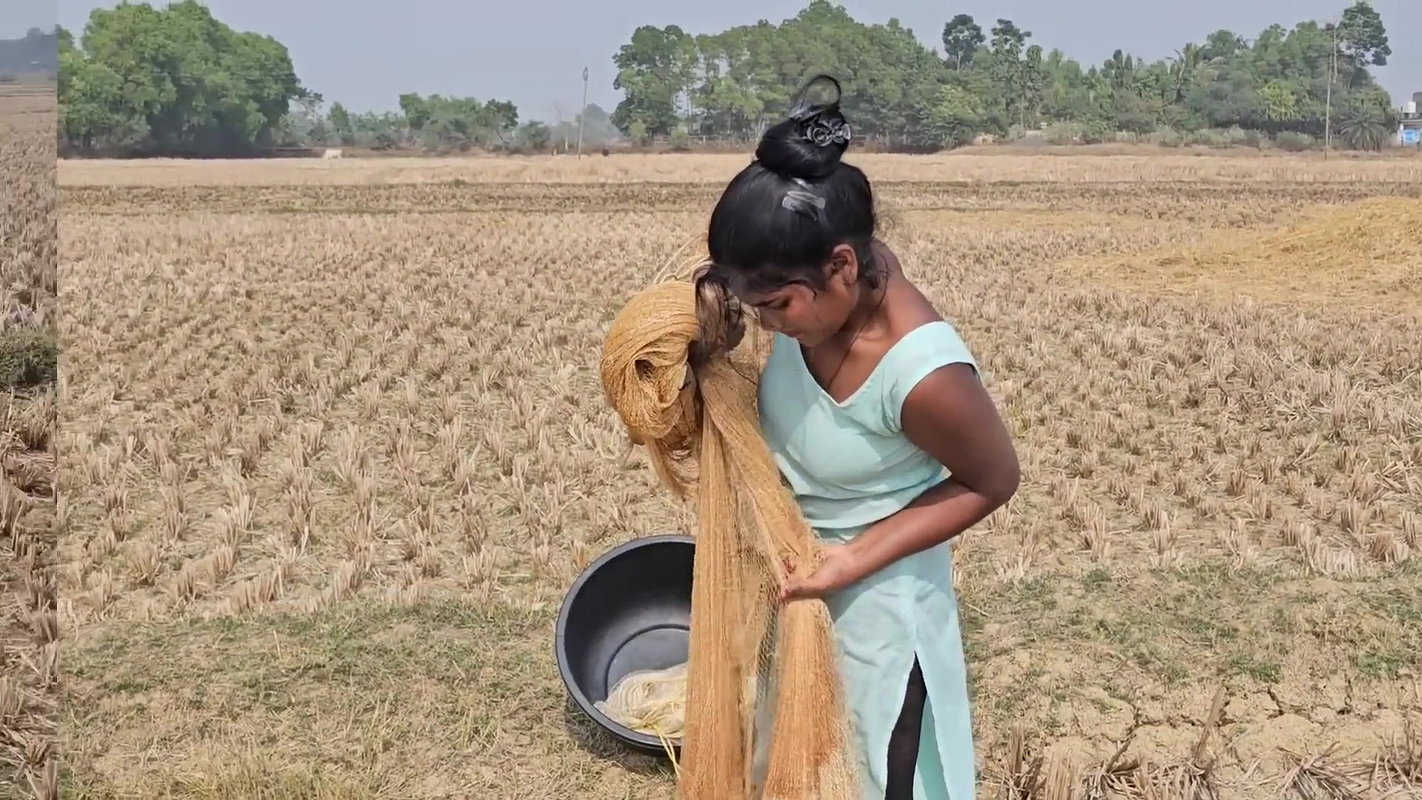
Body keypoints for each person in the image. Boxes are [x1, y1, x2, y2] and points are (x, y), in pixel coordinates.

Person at [692, 74, 1021, 800]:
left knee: (872, 776)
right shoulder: (825, 288)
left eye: (776, 305)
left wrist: (851, 562)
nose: (768, 325)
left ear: (842, 266)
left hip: (879, 612)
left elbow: (993, 480)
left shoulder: (922, 374)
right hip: (800, 585)